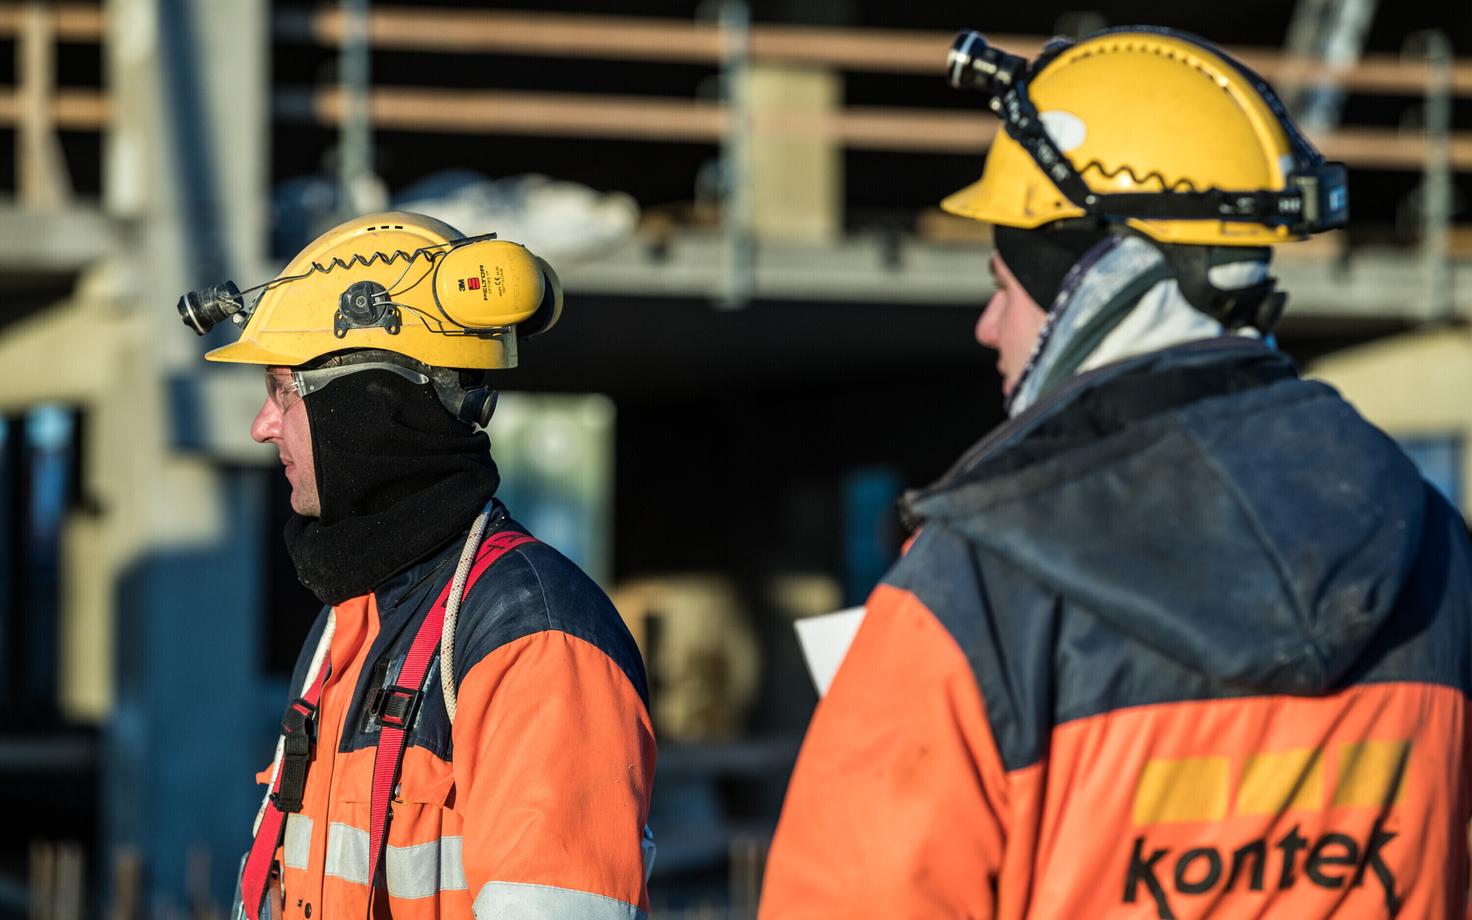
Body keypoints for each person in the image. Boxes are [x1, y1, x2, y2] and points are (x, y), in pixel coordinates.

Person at [760, 27, 1472, 919]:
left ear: (1093, 282)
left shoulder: (970, 588)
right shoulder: (1435, 550)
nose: (987, 326)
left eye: (1003, 285)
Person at [177, 212, 656, 920]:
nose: (263, 425)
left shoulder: (534, 639)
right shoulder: (355, 617)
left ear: (364, 403)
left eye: (283, 390)